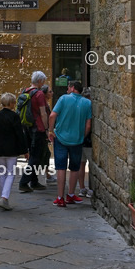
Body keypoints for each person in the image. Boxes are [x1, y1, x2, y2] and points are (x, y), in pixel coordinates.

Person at [48, 80, 92, 208]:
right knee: (74, 167)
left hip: (61, 138)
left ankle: (60, 197)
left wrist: (51, 131)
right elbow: (88, 125)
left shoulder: (63, 99)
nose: (67, 90)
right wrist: (81, 136)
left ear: (72, 88)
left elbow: (52, 115)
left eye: (68, 87)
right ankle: (71, 194)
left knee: (61, 167)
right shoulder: (87, 103)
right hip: (77, 140)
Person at [0, 93, 28, 210]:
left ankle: (3, 197)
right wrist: (25, 150)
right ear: (11, 103)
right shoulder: (14, 116)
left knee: (2, 173)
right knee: (10, 173)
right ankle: (4, 197)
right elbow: (19, 135)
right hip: (11, 149)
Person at [18, 71, 50, 194]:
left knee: (33, 155)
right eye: (44, 81)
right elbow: (43, 113)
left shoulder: (25, 91)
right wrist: (47, 129)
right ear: (40, 81)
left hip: (27, 127)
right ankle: (24, 182)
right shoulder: (40, 94)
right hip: (38, 128)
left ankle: (34, 181)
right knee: (36, 156)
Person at [78, 87, 93, 197]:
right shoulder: (89, 106)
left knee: (81, 164)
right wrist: (84, 136)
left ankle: (82, 188)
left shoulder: (78, 106)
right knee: (91, 164)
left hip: (78, 139)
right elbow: (88, 126)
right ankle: (91, 189)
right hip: (88, 140)